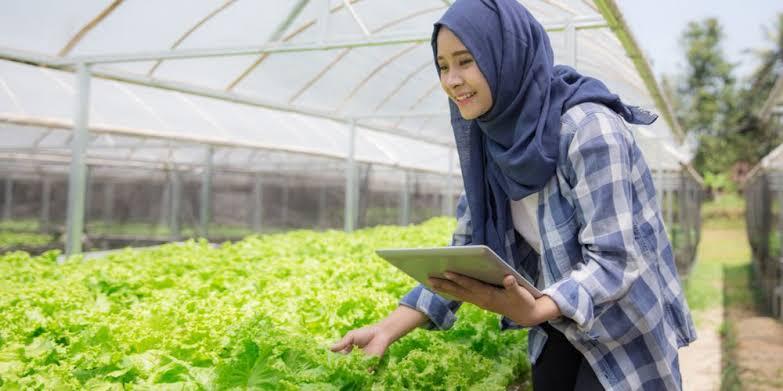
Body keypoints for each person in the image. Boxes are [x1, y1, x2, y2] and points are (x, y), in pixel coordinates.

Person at [331, 0, 697, 389]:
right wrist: (387, 329)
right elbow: (465, 252)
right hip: (557, 319)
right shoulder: (488, 139)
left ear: (504, 55)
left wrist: (535, 308)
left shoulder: (589, 129)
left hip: (623, 327)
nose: (451, 80)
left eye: (465, 60)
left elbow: (616, 260)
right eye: (442, 66)